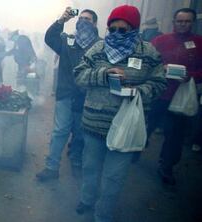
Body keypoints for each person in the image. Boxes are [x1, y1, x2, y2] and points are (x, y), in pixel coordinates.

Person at [74, 5, 166, 222]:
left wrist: (138, 92)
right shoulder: (97, 48)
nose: (116, 34)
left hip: (127, 127)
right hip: (94, 124)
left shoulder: (148, 52)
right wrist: (104, 73)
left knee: (113, 177)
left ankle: (102, 215)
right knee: (90, 167)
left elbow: (159, 82)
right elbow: (78, 76)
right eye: (112, 29)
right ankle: (86, 199)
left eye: (122, 30)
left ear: (134, 28)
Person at [36, 8, 100, 181]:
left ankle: (76, 160)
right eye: (81, 19)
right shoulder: (67, 40)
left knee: (80, 132)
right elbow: (50, 38)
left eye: (88, 19)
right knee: (60, 131)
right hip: (66, 93)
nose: (83, 22)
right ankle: (51, 168)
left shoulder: (100, 45)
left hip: (87, 97)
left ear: (94, 23)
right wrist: (61, 21)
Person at [151, 8, 202, 185]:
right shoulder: (160, 40)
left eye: (187, 21)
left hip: (180, 98)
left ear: (193, 23)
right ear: (174, 22)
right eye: (180, 21)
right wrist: (161, 68)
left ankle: (166, 167)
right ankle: (133, 151)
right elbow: (148, 62)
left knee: (175, 136)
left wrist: (191, 75)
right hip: (158, 94)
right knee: (147, 125)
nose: (183, 24)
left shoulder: (199, 43)